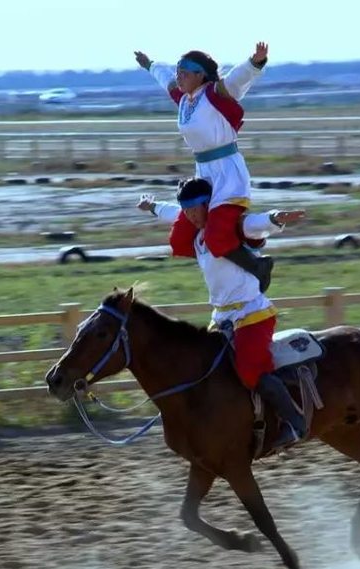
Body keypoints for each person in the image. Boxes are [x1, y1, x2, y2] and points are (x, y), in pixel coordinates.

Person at [137, 178, 308, 448]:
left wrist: (275, 218)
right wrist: (152, 206)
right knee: (205, 369)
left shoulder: (232, 230)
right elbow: (174, 213)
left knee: (250, 371)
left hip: (252, 314)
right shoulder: (198, 238)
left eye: (196, 209)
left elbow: (255, 223)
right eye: (188, 211)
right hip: (222, 318)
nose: (191, 216)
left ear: (209, 205)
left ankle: (295, 422)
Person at [134, 43, 270, 288]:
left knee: (216, 235)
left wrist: (255, 62)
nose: (179, 76)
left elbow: (237, 80)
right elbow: (165, 78)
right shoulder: (184, 99)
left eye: (185, 72)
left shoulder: (215, 92)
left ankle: (256, 264)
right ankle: (233, 244)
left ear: (201, 75)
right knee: (181, 239)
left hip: (228, 173)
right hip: (204, 173)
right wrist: (150, 65)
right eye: (178, 71)